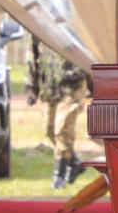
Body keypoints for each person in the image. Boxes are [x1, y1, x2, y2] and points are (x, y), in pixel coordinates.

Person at [26, 36, 88, 189]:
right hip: (50, 86)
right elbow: (32, 57)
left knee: (62, 130)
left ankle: (58, 176)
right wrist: (31, 86)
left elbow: (87, 52)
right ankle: (74, 161)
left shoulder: (73, 23)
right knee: (50, 131)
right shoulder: (38, 23)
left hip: (72, 85)